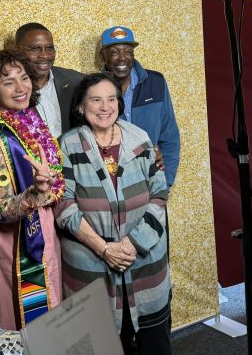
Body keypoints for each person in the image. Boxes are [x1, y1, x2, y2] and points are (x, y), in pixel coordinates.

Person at [56, 73, 170, 355]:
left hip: (144, 264)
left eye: (111, 99)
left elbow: (159, 193)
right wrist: (104, 248)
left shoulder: (139, 138)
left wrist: (132, 243)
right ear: (82, 107)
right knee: (101, 347)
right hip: (92, 269)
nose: (104, 106)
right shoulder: (67, 145)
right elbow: (63, 205)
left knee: (154, 346)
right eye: (96, 99)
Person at [0, 49, 64, 329]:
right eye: (8, 82)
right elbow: (0, 210)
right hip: (16, 244)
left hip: (48, 233)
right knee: (23, 326)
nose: (21, 88)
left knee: (51, 319)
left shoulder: (31, 121)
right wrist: (36, 191)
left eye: (24, 78)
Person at [99, 25, 180, 189]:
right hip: (114, 187)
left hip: (152, 182)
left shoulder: (155, 82)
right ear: (103, 56)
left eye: (128, 52)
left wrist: (165, 183)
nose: (122, 58)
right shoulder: (95, 88)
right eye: (114, 52)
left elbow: (170, 137)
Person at [15, 22, 84, 138]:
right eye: (35, 48)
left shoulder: (76, 81)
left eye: (49, 48)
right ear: (17, 51)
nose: (44, 55)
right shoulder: (8, 89)